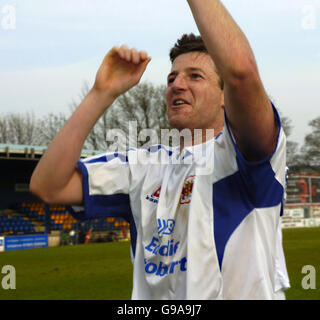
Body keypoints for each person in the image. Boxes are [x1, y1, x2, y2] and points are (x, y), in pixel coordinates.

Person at [30, 0, 290, 299]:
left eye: (195, 75)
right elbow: (47, 186)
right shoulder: (142, 166)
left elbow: (241, 72)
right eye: (172, 77)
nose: (177, 84)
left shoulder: (245, 160)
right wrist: (101, 93)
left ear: (225, 96)